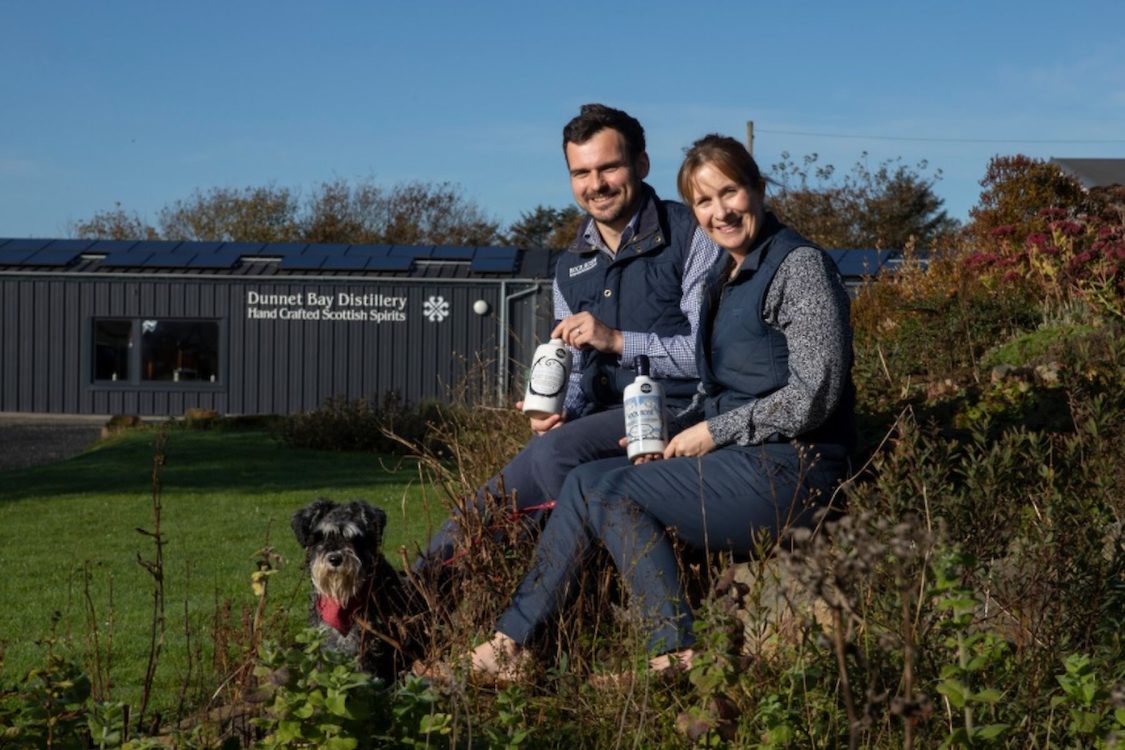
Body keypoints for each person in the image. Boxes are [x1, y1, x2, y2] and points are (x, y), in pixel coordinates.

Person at [464, 134, 857, 679]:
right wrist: (669, 437)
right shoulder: (726, 277)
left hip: (793, 466)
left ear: (759, 190)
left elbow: (817, 393)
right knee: (587, 481)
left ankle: (672, 647)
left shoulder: (800, 267)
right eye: (704, 202)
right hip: (738, 459)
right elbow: (716, 388)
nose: (720, 212)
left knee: (614, 490)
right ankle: (512, 643)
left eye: (730, 193)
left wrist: (713, 433)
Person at [415, 105, 721, 571]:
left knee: (559, 454)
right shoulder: (570, 265)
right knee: (475, 514)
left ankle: (606, 586)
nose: (594, 184)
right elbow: (576, 371)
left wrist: (618, 340)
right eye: (581, 172)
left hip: (675, 410)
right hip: (598, 420)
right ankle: (399, 610)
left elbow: (710, 355)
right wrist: (556, 409)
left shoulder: (692, 235)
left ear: (641, 165)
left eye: (608, 168)